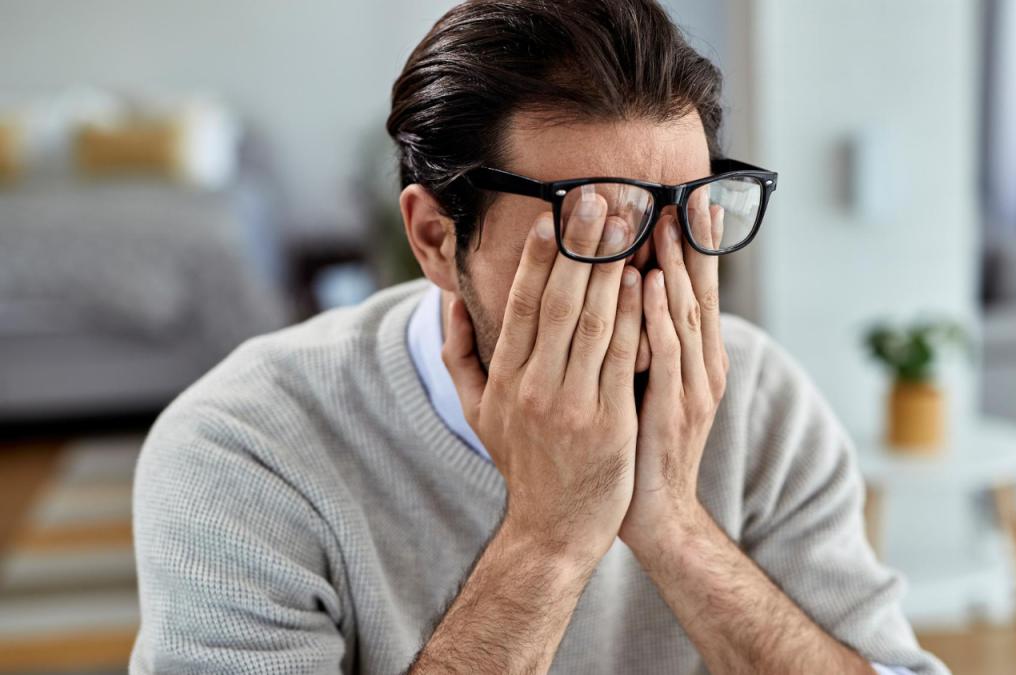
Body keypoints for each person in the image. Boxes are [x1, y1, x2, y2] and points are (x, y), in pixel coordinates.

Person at [130, 1, 947, 673]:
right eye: (593, 227)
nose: (655, 283)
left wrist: (675, 528)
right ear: (437, 240)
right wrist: (549, 538)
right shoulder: (243, 448)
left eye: (688, 216)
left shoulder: (760, 398)